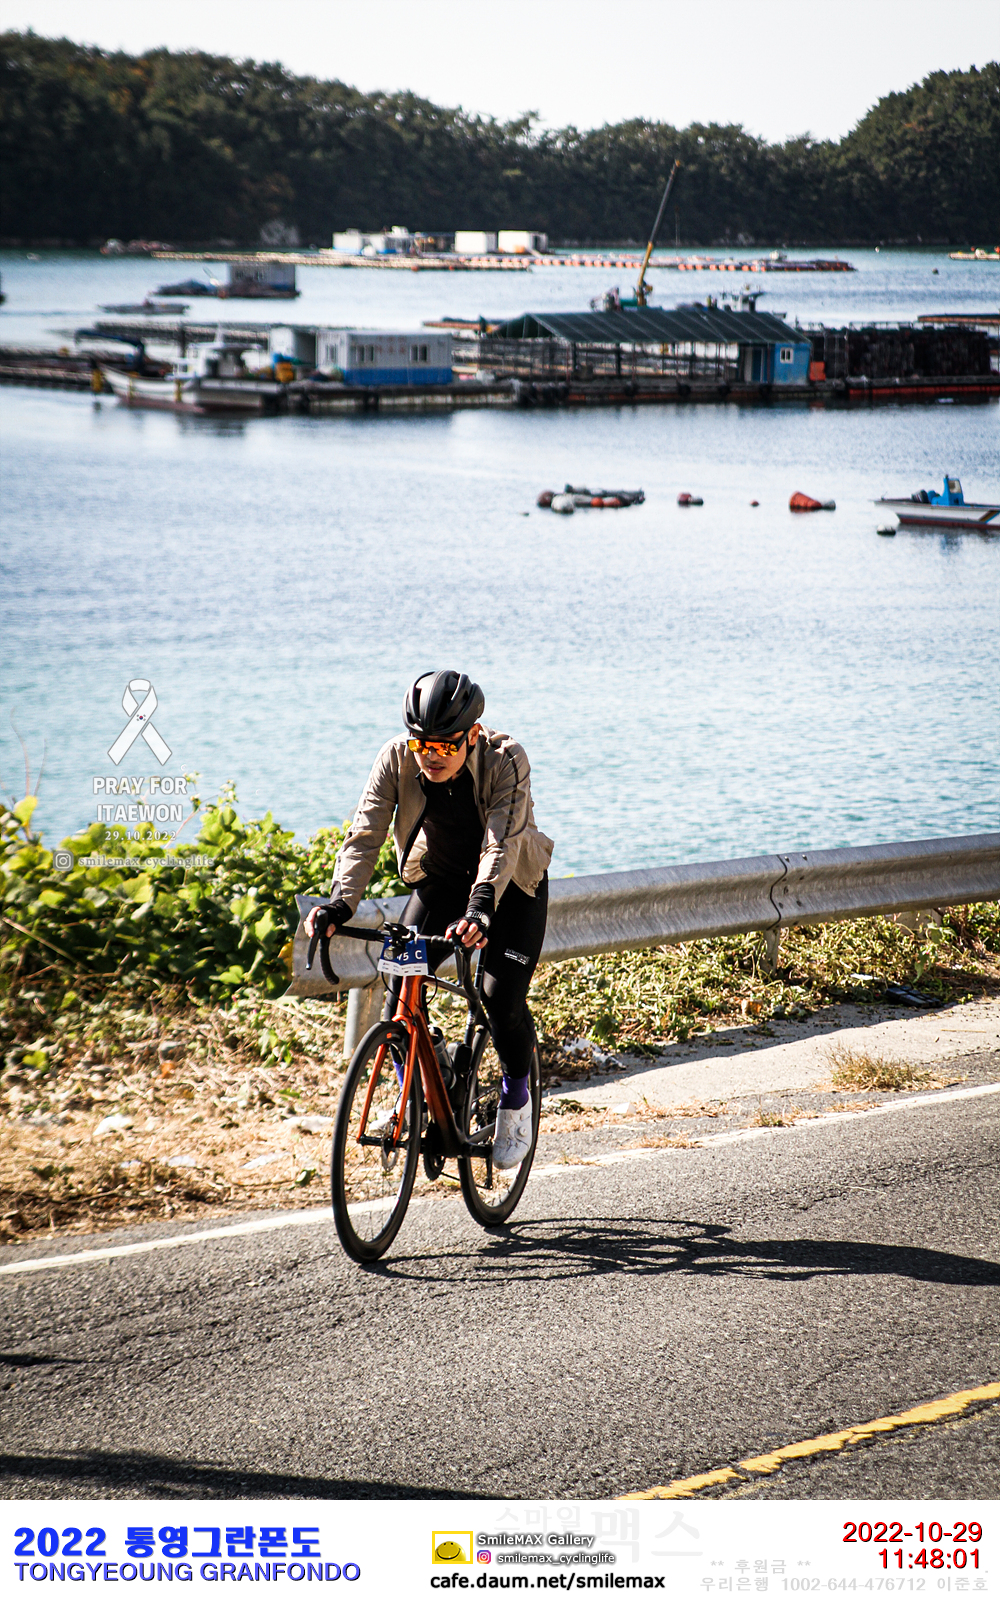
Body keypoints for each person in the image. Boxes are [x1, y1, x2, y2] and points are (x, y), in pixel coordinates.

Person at [305, 671, 553, 1169]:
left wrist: (480, 907)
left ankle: (516, 1099)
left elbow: (500, 843)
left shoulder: (506, 759)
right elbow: (365, 835)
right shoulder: (396, 758)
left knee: (498, 997)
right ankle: (416, 1095)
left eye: (444, 745)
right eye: (422, 743)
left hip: (509, 888)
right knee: (399, 995)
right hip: (441, 881)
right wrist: (340, 904)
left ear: (472, 735)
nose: (431, 755)